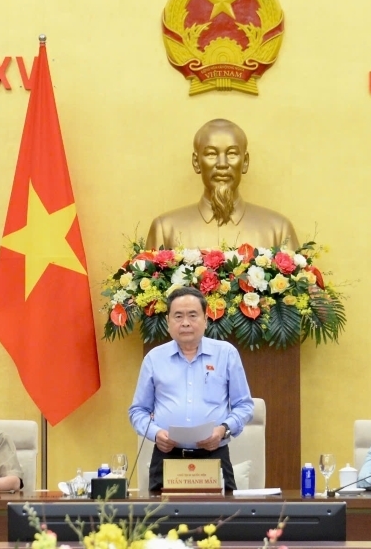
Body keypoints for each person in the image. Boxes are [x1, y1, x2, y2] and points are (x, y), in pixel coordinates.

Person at [129, 286, 254, 493]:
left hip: (213, 455)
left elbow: (244, 406)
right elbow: (138, 411)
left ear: (206, 319)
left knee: (221, 514)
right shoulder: (154, 358)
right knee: (161, 515)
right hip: (167, 457)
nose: (185, 322)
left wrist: (223, 430)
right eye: (178, 316)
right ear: (168, 321)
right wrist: (155, 433)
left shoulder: (226, 354)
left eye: (192, 315)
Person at [145, 119, 299, 250]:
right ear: (196, 162)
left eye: (232, 153)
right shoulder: (165, 230)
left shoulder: (278, 230)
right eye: (211, 154)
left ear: (245, 162)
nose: (222, 164)